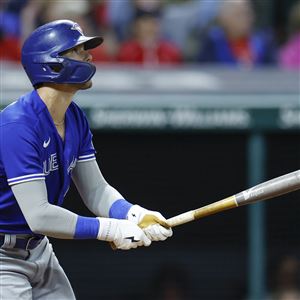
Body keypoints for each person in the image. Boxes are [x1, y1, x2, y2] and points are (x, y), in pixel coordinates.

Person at [0, 19, 173, 300]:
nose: (89, 56)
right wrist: (110, 229)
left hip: (39, 251)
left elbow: (96, 191)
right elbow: (39, 215)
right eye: (78, 51)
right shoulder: (16, 126)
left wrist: (134, 215)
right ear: (52, 64)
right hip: (3, 259)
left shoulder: (74, 117)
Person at [197, 0, 276, 66]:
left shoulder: (264, 42)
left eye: (248, 13)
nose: (246, 19)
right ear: (224, 19)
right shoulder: (212, 43)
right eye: (239, 15)